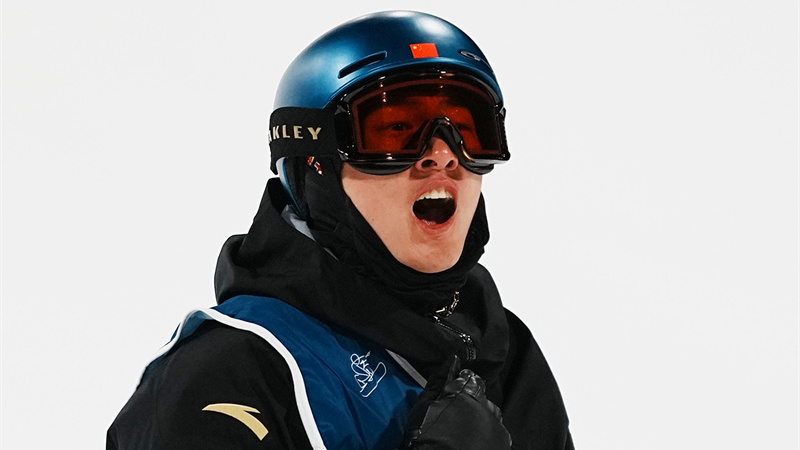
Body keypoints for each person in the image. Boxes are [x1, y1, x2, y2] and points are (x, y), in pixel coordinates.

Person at [107, 10, 573, 450]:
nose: (443, 155)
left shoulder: (505, 351)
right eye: (395, 130)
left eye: (469, 131)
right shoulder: (229, 372)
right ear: (316, 167)